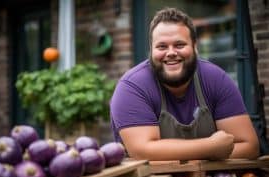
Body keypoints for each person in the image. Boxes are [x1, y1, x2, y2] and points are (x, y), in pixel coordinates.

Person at [110, 7, 260, 161]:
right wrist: (211, 148)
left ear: (195, 47)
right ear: (151, 50)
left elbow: (250, 146)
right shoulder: (133, 86)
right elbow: (142, 151)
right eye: (162, 46)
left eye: (179, 45)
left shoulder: (215, 79)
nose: (171, 52)